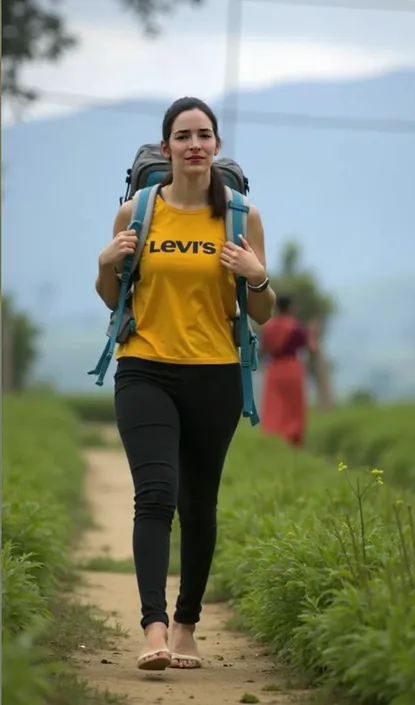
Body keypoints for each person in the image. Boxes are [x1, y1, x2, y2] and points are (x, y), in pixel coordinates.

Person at [94, 96, 276, 671]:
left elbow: (263, 313)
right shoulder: (138, 213)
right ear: (166, 146)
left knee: (200, 506)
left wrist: (258, 276)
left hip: (216, 374)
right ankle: (152, 629)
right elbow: (114, 297)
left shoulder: (242, 217)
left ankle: (186, 624)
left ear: (217, 147)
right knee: (156, 496)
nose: (194, 145)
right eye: (182, 135)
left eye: (204, 135)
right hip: (144, 365)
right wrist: (104, 263)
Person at [259, 294, 316, 447]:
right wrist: (311, 332)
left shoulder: (268, 327)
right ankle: (293, 438)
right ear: (291, 307)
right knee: (294, 407)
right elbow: (312, 350)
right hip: (293, 369)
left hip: (274, 369)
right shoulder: (297, 327)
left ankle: (273, 438)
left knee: (275, 405)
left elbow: (261, 351)